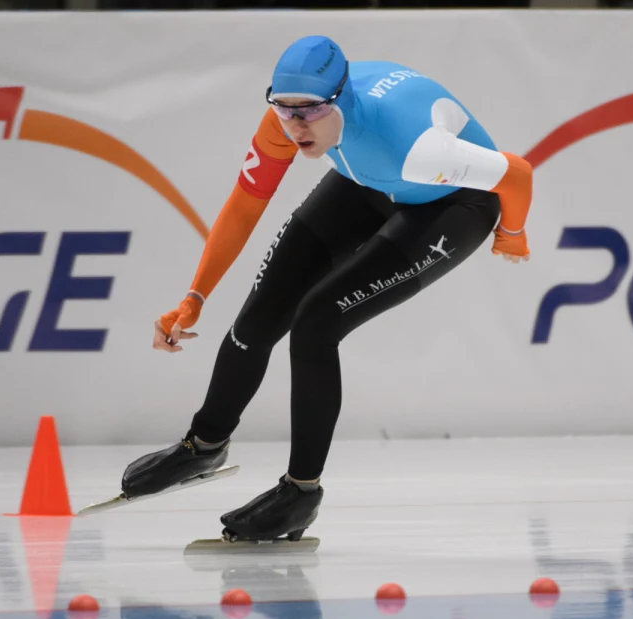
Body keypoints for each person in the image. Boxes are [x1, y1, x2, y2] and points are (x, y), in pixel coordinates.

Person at [120, 35, 533, 543]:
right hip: (368, 178)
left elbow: (516, 174)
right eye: (285, 110)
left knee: (316, 323)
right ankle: (203, 444)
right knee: (261, 314)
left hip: (452, 201)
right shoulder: (289, 120)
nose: (294, 126)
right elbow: (246, 203)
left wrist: (512, 235)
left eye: (310, 113)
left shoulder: (417, 148)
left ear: (341, 99)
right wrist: (195, 296)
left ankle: (300, 492)